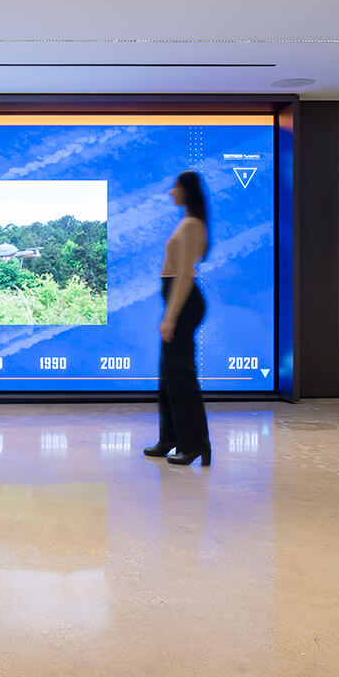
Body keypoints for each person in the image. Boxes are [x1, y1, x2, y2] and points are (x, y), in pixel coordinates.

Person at [144, 170, 212, 466]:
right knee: (169, 374)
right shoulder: (189, 223)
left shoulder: (191, 225)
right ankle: (170, 438)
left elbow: (185, 275)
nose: (171, 192)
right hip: (178, 302)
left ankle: (195, 444)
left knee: (181, 376)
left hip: (182, 304)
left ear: (186, 190)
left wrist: (170, 317)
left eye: (175, 187)